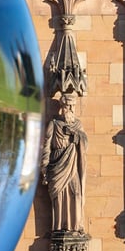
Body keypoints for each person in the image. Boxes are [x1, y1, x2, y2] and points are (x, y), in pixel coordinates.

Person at [41, 94, 87, 234]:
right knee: (60, 196)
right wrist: (44, 166)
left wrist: (76, 134)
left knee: (76, 193)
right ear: (63, 107)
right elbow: (46, 146)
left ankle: (75, 225)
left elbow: (85, 142)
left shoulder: (78, 124)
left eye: (73, 106)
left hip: (72, 162)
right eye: (68, 106)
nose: (71, 109)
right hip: (57, 162)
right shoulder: (54, 124)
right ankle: (60, 226)